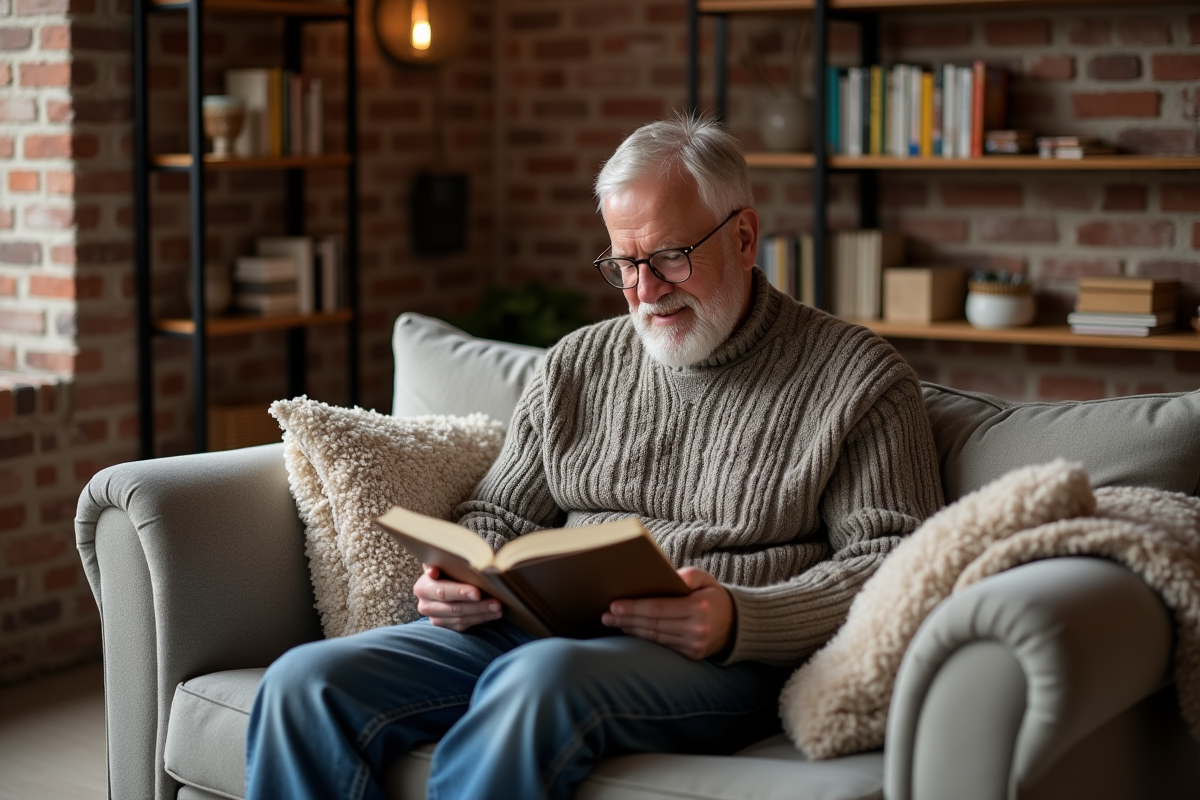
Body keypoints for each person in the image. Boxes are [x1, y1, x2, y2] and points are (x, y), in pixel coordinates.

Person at [245, 115, 944, 800]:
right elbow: (497, 510)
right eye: (624, 264)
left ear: (744, 236)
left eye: (671, 257)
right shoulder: (579, 362)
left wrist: (742, 617)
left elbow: (897, 563)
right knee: (304, 685)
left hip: (718, 658)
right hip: (538, 634)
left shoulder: (859, 378)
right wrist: (462, 577)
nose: (646, 291)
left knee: (537, 683)